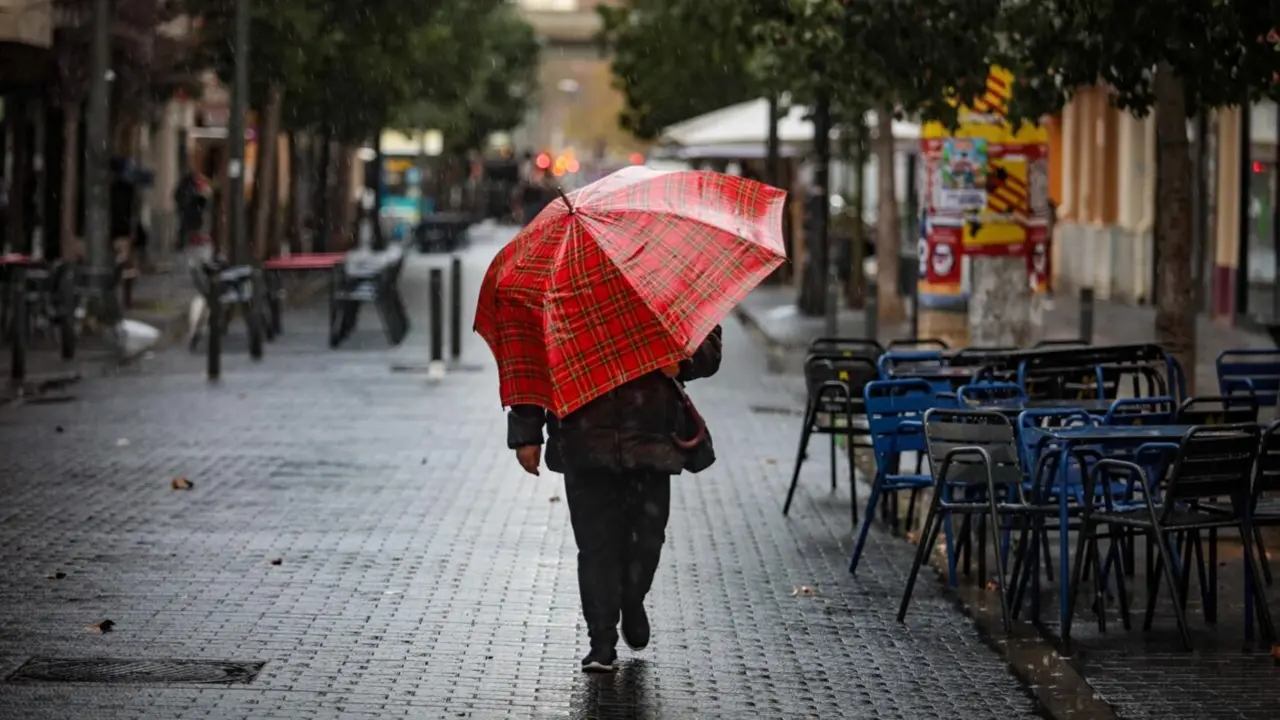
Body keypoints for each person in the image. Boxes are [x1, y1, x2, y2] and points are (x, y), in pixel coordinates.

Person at [507, 327, 723, 673]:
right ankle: (601, 641)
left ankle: (632, 599)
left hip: (650, 439)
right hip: (582, 437)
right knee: (596, 546)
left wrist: (683, 364)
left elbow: (708, 343)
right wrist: (525, 432)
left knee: (648, 540)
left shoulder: (659, 281)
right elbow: (531, 361)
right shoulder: (562, 291)